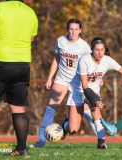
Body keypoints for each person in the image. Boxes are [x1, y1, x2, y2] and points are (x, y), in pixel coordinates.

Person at [29, 18, 101, 149]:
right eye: (71, 29)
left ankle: (98, 139)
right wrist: (50, 78)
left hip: (77, 82)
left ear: (80, 30)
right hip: (61, 79)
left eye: (76, 29)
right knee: (50, 109)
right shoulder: (60, 41)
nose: (73, 32)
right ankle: (40, 141)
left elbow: (91, 64)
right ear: (67, 29)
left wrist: (97, 79)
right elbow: (56, 60)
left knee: (80, 120)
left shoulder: (84, 46)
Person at [0, 0, 38, 158]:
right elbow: (31, 38)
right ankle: (22, 148)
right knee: (18, 108)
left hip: (0, 63)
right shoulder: (31, 12)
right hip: (22, 66)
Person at [62, 37, 122, 149]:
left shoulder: (107, 60)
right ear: (92, 50)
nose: (100, 52)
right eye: (97, 50)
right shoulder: (84, 60)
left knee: (96, 110)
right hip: (78, 91)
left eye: (102, 49)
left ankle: (101, 142)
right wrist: (94, 99)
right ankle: (65, 125)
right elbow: (84, 87)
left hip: (93, 90)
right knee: (73, 129)